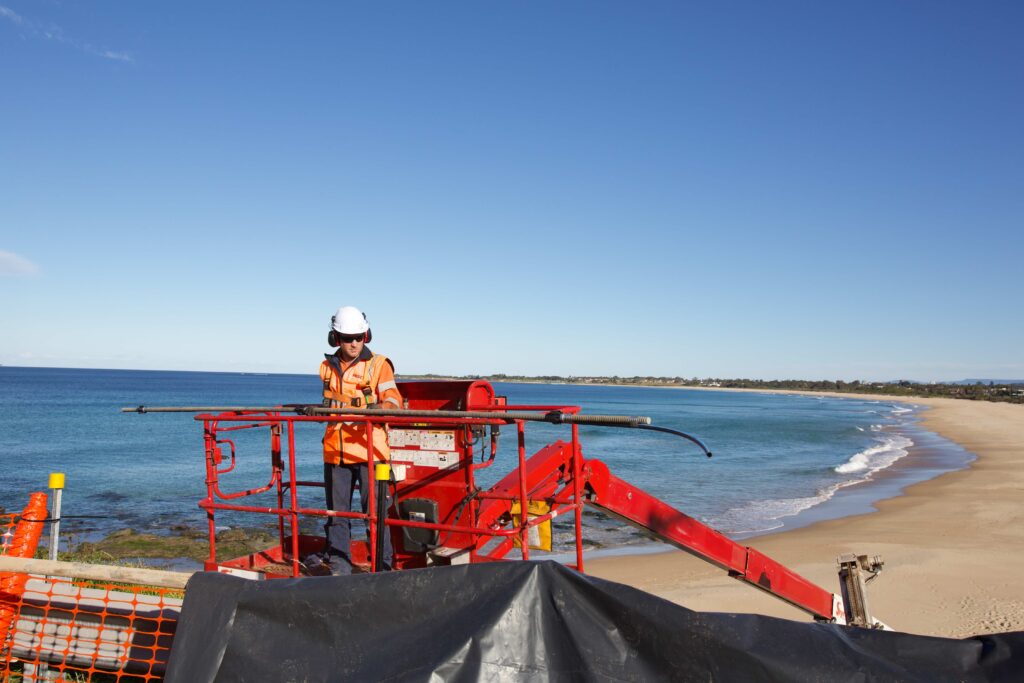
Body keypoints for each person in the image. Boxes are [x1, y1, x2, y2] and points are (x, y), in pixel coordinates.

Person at [318, 306, 402, 575]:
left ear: (367, 335)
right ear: (335, 338)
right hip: (336, 451)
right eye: (347, 338)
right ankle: (339, 566)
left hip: (372, 452)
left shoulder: (380, 365)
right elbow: (329, 403)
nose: (353, 343)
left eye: (359, 337)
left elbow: (394, 401)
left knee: (376, 516)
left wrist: (382, 409)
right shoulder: (326, 367)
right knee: (337, 515)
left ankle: (382, 568)